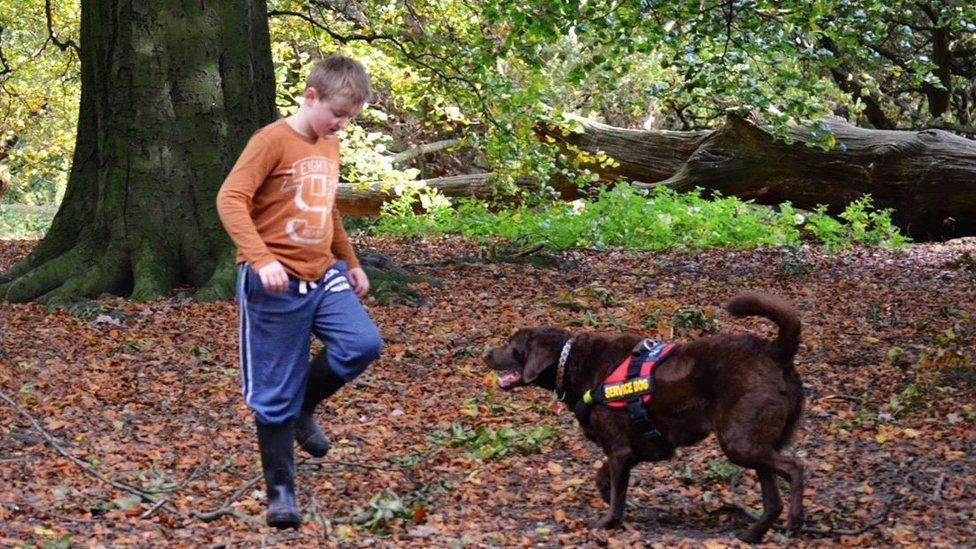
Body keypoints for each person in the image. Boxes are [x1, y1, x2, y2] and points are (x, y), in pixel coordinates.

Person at [216, 55, 383, 529]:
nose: (343, 126)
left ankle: (304, 405)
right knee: (273, 391)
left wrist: (350, 263)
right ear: (311, 97)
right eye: (338, 115)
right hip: (273, 281)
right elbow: (230, 199)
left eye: (351, 118)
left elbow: (326, 208)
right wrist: (261, 258)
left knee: (362, 343)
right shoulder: (271, 140)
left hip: (322, 271)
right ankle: (281, 492)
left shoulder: (329, 142)